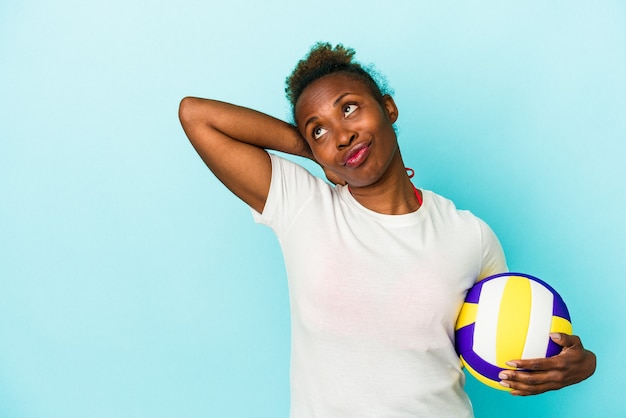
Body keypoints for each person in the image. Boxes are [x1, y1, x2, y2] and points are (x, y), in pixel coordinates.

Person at [178, 42, 596, 417]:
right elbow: (196, 115)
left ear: (388, 109)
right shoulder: (303, 206)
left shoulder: (471, 235)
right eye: (318, 129)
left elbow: (501, 350)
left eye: (349, 108)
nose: (340, 134)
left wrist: (580, 365)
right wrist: (319, 152)